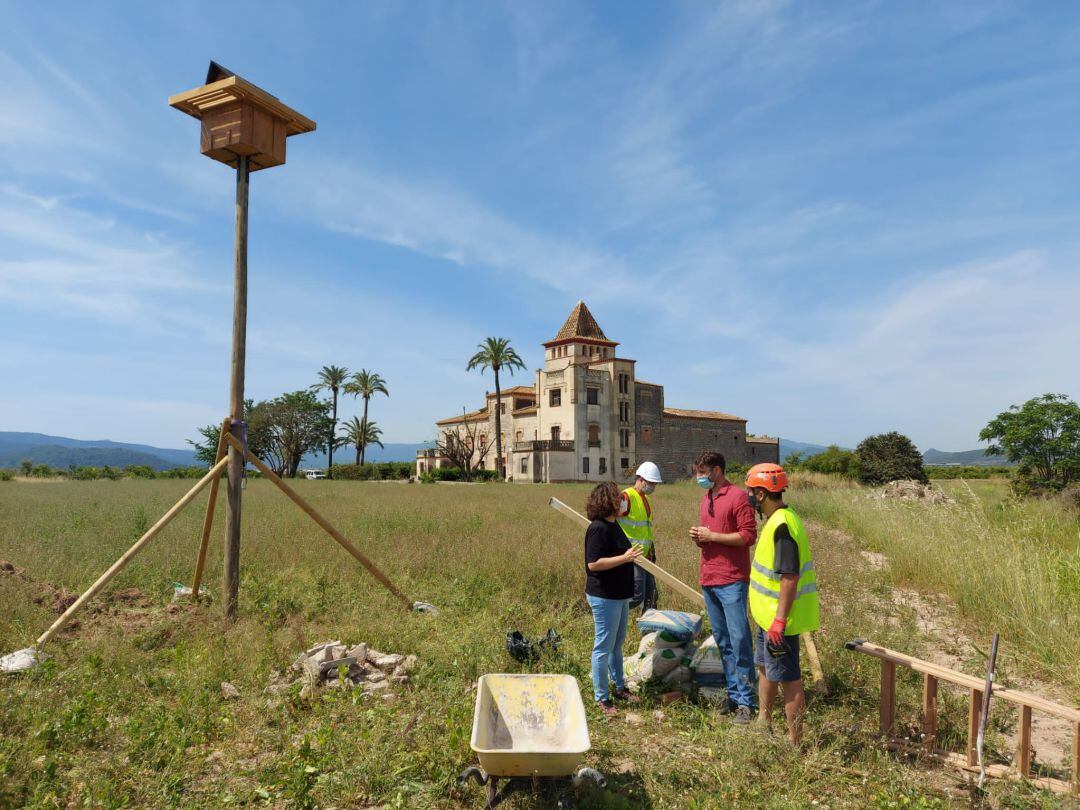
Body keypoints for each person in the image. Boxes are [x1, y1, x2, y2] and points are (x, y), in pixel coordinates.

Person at [745, 462, 819, 745]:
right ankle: (764, 720)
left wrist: (779, 621)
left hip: (780, 622)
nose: (749, 496)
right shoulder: (776, 520)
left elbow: (790, 577)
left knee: (789, 679)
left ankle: (794, 743)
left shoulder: (783, 526)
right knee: (765, 667)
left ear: (762, 494)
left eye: (752, 492)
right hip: (768, 618)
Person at [688, 450, 758, 723]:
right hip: (709, 578)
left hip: (732, 579)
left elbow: (747, 536)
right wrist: (700, 539)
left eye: (702, 472)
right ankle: (733, 694)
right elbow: (712, 538)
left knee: (740, 640)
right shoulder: (706, 499)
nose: (699, 477)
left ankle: (746, 703)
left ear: (717, 471)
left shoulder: (738, 496)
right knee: (724, 641)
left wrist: (712, 535)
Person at [584, 481, 643, 716]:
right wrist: (625, 558)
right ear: (608, 501)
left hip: (619, 595)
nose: (623, 501)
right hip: (604, 595)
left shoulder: (615, 524)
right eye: (619, 498)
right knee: (603, 646)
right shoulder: (598, 528)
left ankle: (620, 687)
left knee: (616, 645)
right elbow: (593, 563)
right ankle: (602, 697)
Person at [618, 461, 662, 614]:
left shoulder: (646, 500)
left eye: (655, 484)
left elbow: (645, 531)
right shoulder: (626, 497)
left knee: (651, 596)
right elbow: (609, 520)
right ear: (640, 479)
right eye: (650, 483)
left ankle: (649, 631)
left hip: (647, 556)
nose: (653, 487)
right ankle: (611, 609)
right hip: (633, 556)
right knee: (637, 596)